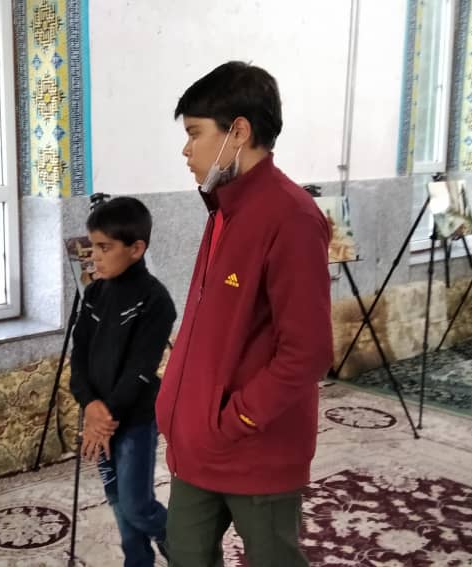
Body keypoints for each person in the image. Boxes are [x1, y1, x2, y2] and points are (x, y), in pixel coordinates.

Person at [155, 61, 334, 566]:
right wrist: (182, 410)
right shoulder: (224, 208)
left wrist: (233, 420)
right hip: (198, 446)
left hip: (256, 447)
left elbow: (308, 352)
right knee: (185, 554)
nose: (186, 150)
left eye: (195, 133)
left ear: (238, 132)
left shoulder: (292, 217)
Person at [69, 196, 177, 567]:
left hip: (133, 419)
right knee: (116, 497)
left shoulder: (155, 300)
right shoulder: (94, 293)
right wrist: (89, 404)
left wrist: (106, 416)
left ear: (136, 249)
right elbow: (78, 356)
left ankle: (180, 542)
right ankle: (138, 561)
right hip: (98, 416)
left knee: (136, 504)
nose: (94, 257)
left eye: (104, 248)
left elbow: (140, 370)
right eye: (92, 246)